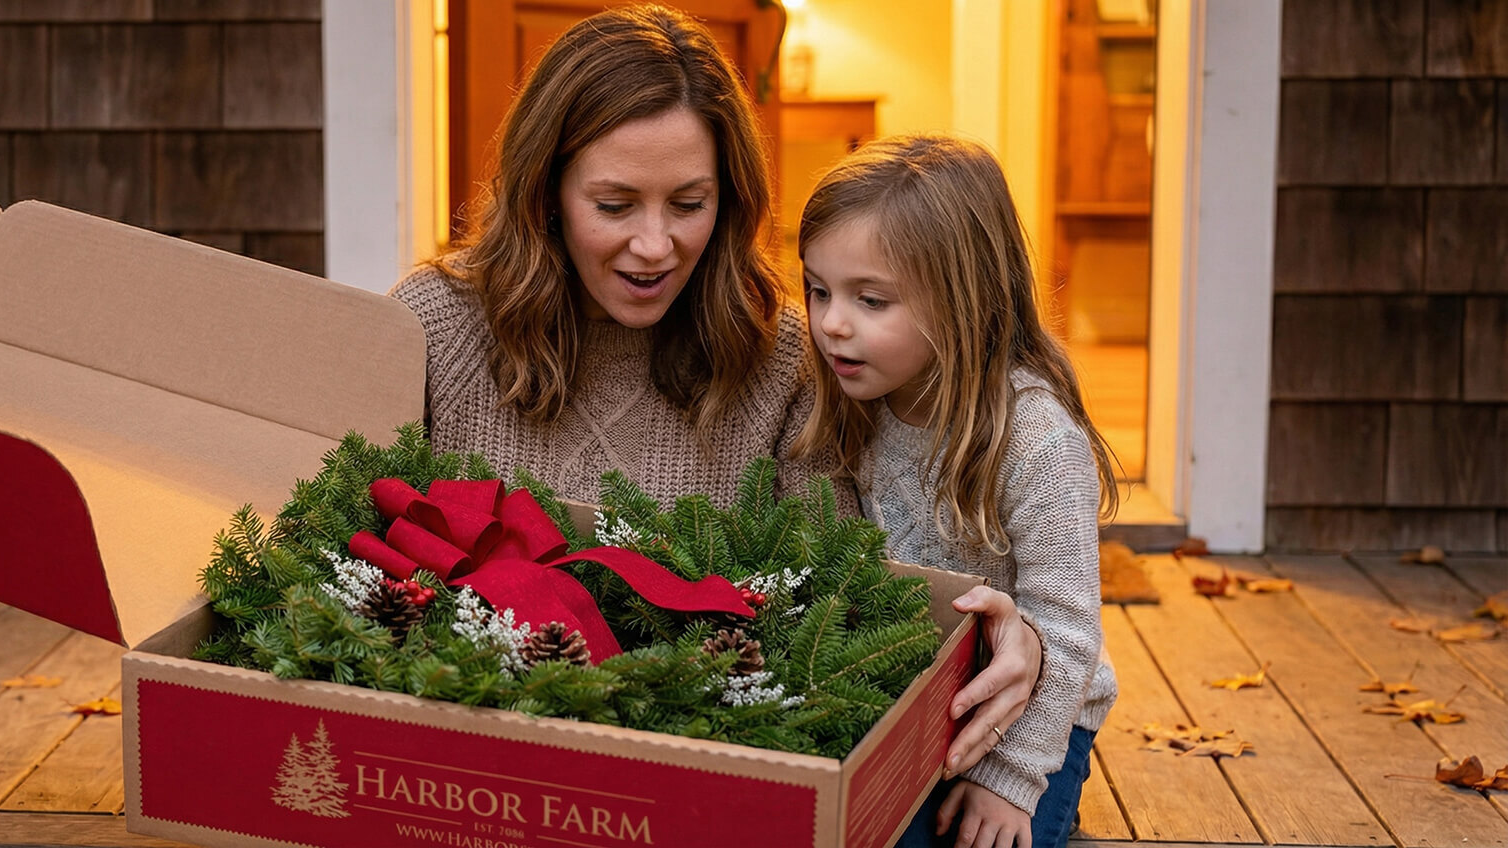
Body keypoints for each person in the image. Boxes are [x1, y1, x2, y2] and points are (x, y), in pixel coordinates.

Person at [391, 5, 1038, 773]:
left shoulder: (785, 355)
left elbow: (842, 601)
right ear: (546, 192)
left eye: (689, 204)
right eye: (614, 205)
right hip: (453, 754)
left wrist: (1003, 636)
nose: (655, 245)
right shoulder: (433, 326)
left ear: (728, 199)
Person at [791, 133, 1121, 848]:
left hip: (1035, 712)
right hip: (909, 693)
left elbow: (1068, 634)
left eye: (870, 299)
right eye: (818, 290)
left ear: (962, 301)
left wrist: (1011, 778)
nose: (831, 323)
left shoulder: (1036, 441)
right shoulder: (852, 400)